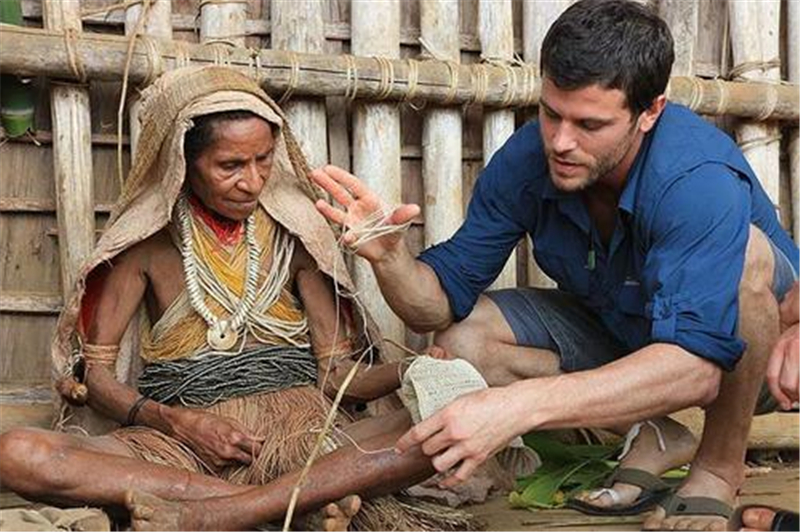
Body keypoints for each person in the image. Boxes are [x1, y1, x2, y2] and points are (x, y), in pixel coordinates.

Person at [310, 1, 800, 530]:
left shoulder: (694, 177)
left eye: (590, 124)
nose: (561, 142)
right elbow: (435, 306)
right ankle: (657, 431)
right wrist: (391, 258)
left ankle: (718, 467)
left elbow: (696, 369)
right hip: (630, 333)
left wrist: (517, 407)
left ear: (650, 111)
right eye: (551, 113)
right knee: (465, 339)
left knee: (746, 256)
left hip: (761, 361)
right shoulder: (528, 160)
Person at [0, 66, 474, 531]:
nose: (252, 181)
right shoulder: (146, 247)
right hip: (177, 451)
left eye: (264, 159)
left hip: (303, 439)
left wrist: (410, 371)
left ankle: (228, 513)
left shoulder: (298, 238)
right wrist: (176, 422)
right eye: (230, 165)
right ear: (183, 164)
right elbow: (96, 378)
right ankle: (289, 509)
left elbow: (338, 377)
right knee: (19, 454)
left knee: (457, 413)